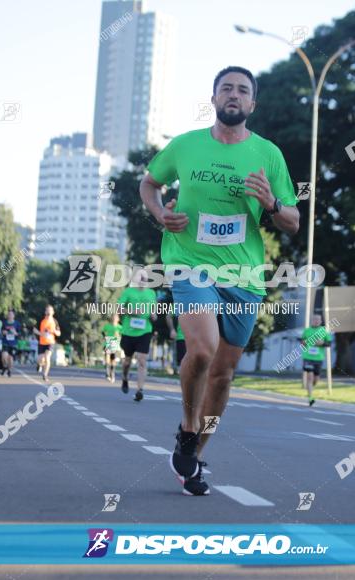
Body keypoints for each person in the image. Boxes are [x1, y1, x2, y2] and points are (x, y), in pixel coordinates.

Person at [140, 65, 299, 496]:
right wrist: (160, 213)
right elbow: (149, 184)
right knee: (203, 350)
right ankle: (188, 423)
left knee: (224, 375)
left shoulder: (268, 154)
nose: (233, 95)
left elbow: (293, 221)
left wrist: (271, 202)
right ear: (213, 99)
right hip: (191, 264)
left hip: (244, 275)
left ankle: (193, 450)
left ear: (252, 104)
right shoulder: (186, 146)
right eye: (225, 88)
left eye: (242, 90)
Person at [117, 269, 157, 402]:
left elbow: (154, 314)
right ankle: (124, 377)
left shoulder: (152, 293)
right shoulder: (128, 292)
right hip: (128, 331)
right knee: (127, 361)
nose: (143, 282)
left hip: (145, 331)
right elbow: (118, 309)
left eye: (145, 279)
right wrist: (131, 311)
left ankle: (140, 390)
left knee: (141, 360)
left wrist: (153, 316)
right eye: (140, 279)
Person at [300, 314, 332, 407]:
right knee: (309, 377)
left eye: (318, 320)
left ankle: (310, 389)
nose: (316, 321)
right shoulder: (307, 331)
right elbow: (302, 343)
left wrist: (322, 343)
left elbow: (329, 344)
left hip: (319, 358)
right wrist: (305, 343)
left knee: (316, 379)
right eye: (314, 320)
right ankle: (310, 398)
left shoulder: (324, 331)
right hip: (308, 357)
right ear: (312, 321)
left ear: (321, 321)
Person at [34, 305, 61, 382]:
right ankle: (39, 364)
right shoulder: (41, 320)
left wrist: (54, 331)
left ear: (53, 312)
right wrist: (40, 333)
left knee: (47, 357)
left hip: (50, 343)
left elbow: (59, 333)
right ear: (45, 312)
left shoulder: (55, 322)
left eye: (50, 311)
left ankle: (45, 375)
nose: (49, 312)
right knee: (41, 359)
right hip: (42, 343)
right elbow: (34, 330)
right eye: (47, 311)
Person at [0, 309, 21, 377]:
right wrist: (4, 332)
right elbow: (2, 331)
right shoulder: (4, 323)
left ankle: (9, 370)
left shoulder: (17, 324)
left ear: (14, 316)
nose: (10, 316)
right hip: (5, 342)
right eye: (9, 314)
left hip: (13, 343)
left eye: (11, 314)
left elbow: (20, 334)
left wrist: (15, 333)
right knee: (4, 356)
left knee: (10, 359)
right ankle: (5, 367)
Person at [102, 314, 122, 382]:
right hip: (108, 342)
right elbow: (103, 331)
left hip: (115, 343)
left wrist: (119, 337)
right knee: (107, 358)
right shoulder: (107, 326)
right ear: (111, 318)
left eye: (116, 317)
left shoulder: (119, 327)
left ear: (118, 319)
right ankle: (107, 374)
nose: (114, 319)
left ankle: (112, 374)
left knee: (113, 360)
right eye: (113, 317)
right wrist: (104, 337)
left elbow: (123, 334)